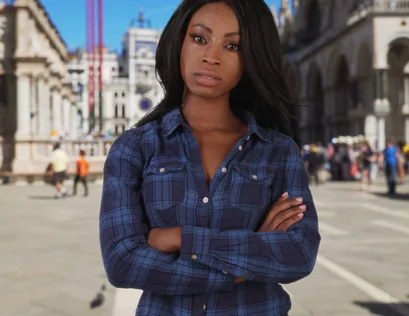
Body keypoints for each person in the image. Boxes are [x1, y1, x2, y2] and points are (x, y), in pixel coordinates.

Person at [99, 1, 320, 315]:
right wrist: (250, 258)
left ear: (251, 59)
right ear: (179, 42)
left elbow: (299, 253)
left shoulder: (278, 151)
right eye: (200, 38)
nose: (211, 57)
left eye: (232, 46)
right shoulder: (135, 147)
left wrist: (181, 238)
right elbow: (123, 262)